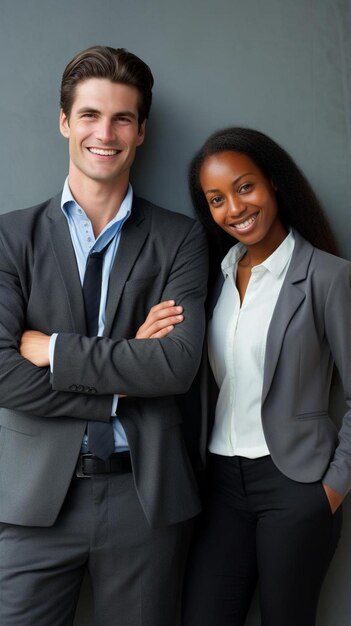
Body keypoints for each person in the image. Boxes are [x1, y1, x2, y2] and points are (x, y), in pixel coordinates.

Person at [0, 45, 208, 626]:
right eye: (90, 115)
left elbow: (175, 366)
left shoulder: (180, 239)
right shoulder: (8, 238)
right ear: (65, 122)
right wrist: (128, 369)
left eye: (122, 118)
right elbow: (1, 373)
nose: (105, 132)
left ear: (141, 132)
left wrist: (55, 350)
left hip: (146, 500)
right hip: (31, 502)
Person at [179, 127, 351, 626]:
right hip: (221, 487)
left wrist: (330, 491)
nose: (234, 208)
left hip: (296, 485)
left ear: (273, 183)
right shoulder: (214, 280)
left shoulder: (327, 277)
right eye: (216, 199)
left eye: (244, 187)